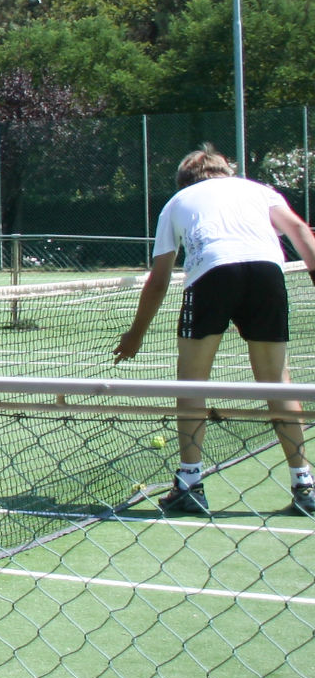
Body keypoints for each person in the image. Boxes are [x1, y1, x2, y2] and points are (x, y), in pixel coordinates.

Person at [115, 144, 315, 517]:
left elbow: (158, 281)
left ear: (184, 180)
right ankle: (304, 484)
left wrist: (135, 335)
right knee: (276, 381)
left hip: (212, 272)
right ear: (225, 170)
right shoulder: (259, 191)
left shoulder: (176, 202)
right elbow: (301, 232)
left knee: (193, 381)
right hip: (267, 272)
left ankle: (190, 484)